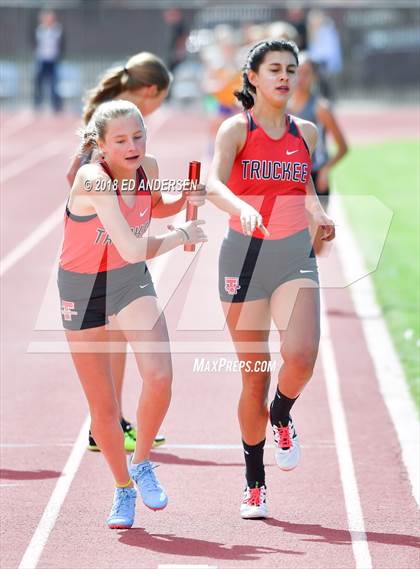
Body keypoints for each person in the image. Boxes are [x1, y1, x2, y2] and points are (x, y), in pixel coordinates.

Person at [59, 99, 207, 528]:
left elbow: (150, 206)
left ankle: (141, 462)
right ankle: (123, 487)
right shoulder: (93, 179)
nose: (132, 146)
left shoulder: (150, 167)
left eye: (138, 136)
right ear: (101, 147)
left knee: (159, 376)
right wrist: (181, 236)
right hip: (83, 289)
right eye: (121, 140)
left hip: (128, 281)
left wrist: (183, 200)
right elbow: (132, 244)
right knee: (103, 407)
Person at [207, 40, 335, 519]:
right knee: (254, 380)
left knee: (301, 355)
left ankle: (282, 414)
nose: (285, 77)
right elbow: (213, 183)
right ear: (253, 77)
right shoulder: (235, 129)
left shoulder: (307, 133)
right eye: (275, 69)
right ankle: (254, 482)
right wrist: (239, 205)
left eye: (291, 69)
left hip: (293, 256)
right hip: (243, 260)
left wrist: (319, 214)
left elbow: (303, 187)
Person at [66, 52, 172, 453]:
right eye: (161, 101)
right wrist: (99, 211)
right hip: (98, 257)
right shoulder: (109, 124)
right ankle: (106, 423)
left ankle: (112, 420)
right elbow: (75, 175)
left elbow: (149, 197)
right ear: (151, 91)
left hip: (117, 252)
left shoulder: (121, 123)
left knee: (121, 340)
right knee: (113, 340)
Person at [288, 51, 348, 252]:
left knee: (317, 246)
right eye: (296, 72)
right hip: (290, 177)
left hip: (315, 175)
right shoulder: (281, 107)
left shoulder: (321, 107)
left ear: (313, 76)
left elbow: (343, 147)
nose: (301, 78)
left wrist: (325, 170)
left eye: (306, 73)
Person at [33, 9, 64, 112]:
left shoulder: (57, 30)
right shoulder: (40, 30)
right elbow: (35, 43)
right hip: (42, 59)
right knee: (39, 82)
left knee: (54, 84)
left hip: (53, 60)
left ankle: (56, 105)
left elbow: (62, 44)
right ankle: (38, 103)